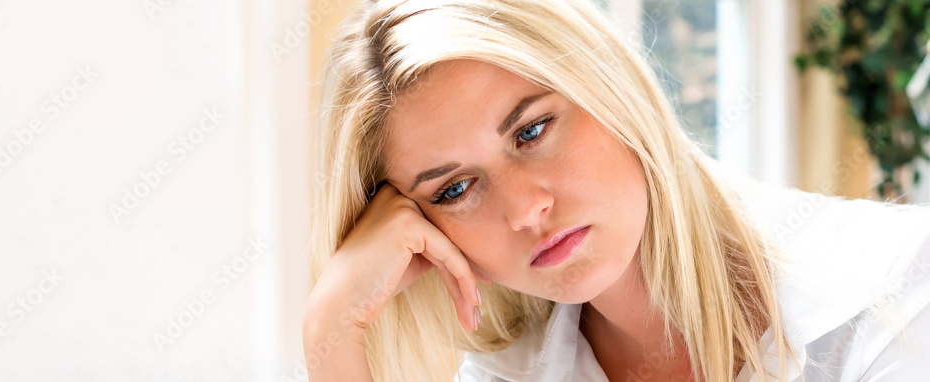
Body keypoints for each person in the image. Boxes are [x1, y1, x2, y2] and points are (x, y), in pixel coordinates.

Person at [301, 0, 930, 381]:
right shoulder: (514, 369)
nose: (524, 210)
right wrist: (331, 327)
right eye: (457, 189)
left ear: (610, 88)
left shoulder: (898, 298)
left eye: (532, 130)